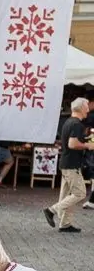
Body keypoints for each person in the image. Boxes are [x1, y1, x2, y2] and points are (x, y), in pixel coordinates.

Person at [44, 97, 94, 233]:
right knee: (80, 193)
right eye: (87, 107)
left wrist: (85, 139)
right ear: (82, 108)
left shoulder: (68, 122)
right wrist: (88, 145)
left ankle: (65, 224)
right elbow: (73, 144)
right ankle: (51, 210)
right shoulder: (77, 124)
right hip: (72, 165)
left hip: (66, 163)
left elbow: (70, 141)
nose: (88, 110)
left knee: (67, 195)